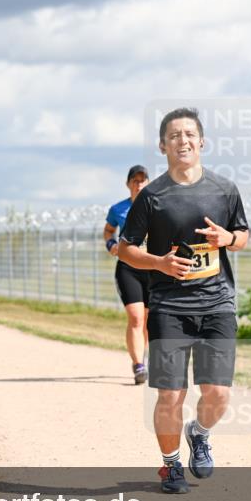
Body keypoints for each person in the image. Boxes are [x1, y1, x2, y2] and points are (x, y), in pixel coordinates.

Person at [119, 108, 249, 494]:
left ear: (202, 141)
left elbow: (243, 235)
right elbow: (125, 250)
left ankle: (200, 432)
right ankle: (171, 466)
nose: (183, 141)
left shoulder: (224, 189)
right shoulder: (151, 196)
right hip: (169, 307)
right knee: (171, 394)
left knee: (218, 393)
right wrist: (158, 262)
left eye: (189, 134)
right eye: (174, 135)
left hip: (217, 303)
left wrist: (227, 239)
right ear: (163, 146)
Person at [104, 165, 151, 385]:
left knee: (149, 321)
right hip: (127, 267)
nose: (139, 184)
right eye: (135, 181)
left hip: (151, 267)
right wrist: (111, 244)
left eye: (143, 180)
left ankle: (145, 357)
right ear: (128, 184)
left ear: (148, 183)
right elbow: (108, 231)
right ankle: (138, 365)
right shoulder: (118, 209)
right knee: (136, 317)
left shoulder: (156, 206)